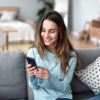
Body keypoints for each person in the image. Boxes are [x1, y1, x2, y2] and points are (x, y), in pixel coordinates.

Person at [27, 11, 80, 100]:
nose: (46, 35)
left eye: (52, 31)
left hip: (62, 97)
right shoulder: (33, 53)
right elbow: (34, 87)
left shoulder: (71, 56)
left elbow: (65, 87)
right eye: (43, 30)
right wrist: (33, 76)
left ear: (60, 32)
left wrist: (49, 79)